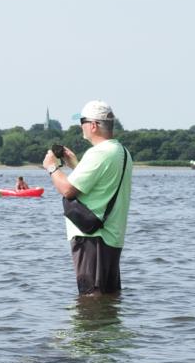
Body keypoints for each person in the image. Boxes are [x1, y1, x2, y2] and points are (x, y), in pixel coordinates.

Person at [44, 100, 132, 295]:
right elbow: (100, 185)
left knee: (90, 299)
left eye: (82, 121)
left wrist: (52, 166)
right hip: (112, 237)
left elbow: (67, 189)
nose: (80, 126)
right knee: (109, 299)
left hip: (93, 238)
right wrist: (76, 164)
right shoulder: (122, 152)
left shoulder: (98, 153)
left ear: (93, 125)